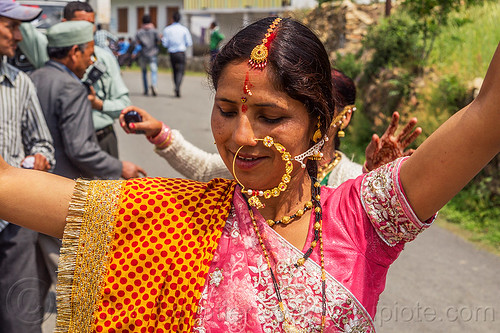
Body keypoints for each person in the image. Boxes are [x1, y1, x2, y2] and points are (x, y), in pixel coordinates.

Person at [0, 17, 499, 332]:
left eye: (270, 116)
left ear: (318, 123)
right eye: (225, 109)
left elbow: (489, 113)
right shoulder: (165, 215)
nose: (239, 136)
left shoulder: (365, 217)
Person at [120, 68, 420, 188]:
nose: (242, 136)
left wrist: (380, 182)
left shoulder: (350, 179)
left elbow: (370, 225)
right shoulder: (268, 163)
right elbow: (205, 169)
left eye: (326, 108)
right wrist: (159, 132)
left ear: (345, 117)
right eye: (226, 111)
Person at [0, 2, 56, 332]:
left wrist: (38, 157)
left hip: (14, 221)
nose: (19, 37)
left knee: (19, 318)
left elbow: (42, 142)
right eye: (10, 27)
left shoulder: (20, 83)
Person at [19, 1, 133, 159]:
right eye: (81, 24)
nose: (89, 29)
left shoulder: (104, 57)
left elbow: (124, 105)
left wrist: (98, 104)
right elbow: (22, 27)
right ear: (64, 24)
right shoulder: (48, 50)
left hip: (101, 138)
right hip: (61, 143)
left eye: (91, 24)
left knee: (108, 183)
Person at [161, 11, 192, 97]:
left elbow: (165, 44)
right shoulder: (184, 29)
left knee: (174, 71)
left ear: (172, 19)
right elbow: (189, 42)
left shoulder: (167, 29)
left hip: (172, 53)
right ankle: (178, 86)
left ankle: (176, 86)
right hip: (181, 52)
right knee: (181, 71)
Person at [136, 14, 160, 96]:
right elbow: (158, 41)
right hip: (153, 53)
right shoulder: (154, 31)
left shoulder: (139, 32)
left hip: (143, 54)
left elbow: (137, 42)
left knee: (144, 72)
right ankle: (154, 85)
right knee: (154, 71)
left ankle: (146, 89)